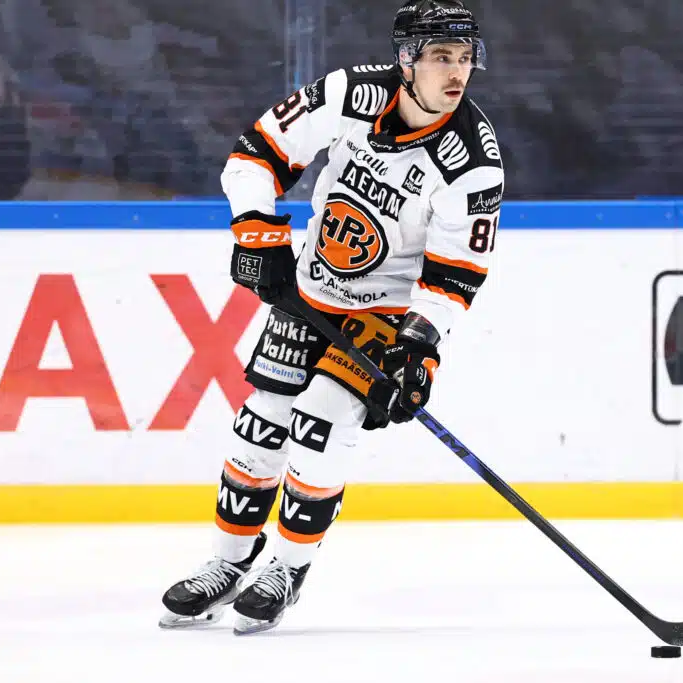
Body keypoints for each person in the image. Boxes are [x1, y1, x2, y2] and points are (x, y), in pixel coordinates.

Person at [158, 0, 503, 636]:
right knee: (259, 426)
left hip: (383, 315)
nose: (457, 72)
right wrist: (258, 234)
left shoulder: (472, 164)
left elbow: (455, 275)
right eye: (441, 57)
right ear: (407, 61)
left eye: (464, 58)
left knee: (319, 424)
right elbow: (255, 154)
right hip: (311, 292)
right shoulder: (350, 93)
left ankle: (287, 568)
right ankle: (228, 562)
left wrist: (418, 346)